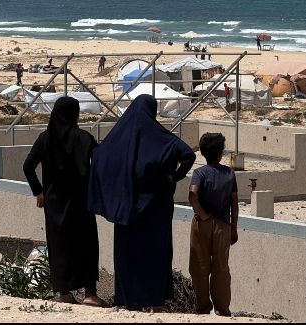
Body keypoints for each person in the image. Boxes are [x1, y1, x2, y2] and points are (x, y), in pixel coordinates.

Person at [88, 95, 196, 311]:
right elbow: (188, 155)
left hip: (125, 208)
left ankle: (127, 300)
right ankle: (156, 301)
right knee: (156, 253)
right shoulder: (161, 137)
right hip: (156, 208)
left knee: (127, 255)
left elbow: (98, 155)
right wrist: (173, 177)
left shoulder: (118, 137)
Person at [22, 97, 106, 307]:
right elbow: (101, 163)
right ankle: (90, 293)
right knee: (86, 244)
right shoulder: (84, 138)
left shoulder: (45, 138)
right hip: (81, 201)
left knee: (59, 246)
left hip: (54, 204)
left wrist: (39, 192)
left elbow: (28, 166)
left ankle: (64, 293)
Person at [188, 133, 238, 316]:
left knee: (199, 267)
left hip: (202, 224)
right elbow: (234, 202)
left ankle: (203, 308)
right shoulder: (229, 174)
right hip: (223, 225)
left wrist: (202, 214)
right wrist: (234, 228)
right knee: (221, 268)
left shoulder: (199, 173)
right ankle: (222, 309)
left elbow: (193, 195)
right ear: (220, 152)